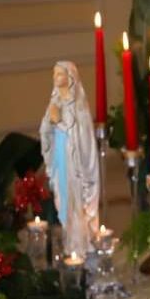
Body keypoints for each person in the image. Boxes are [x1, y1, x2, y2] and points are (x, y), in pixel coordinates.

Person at [39, 61, 99, 258]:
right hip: (60, 157)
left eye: (59, 74)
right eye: (54, 74)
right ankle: (70, 242)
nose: (55, 78)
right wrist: (51, 121)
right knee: (62, 198)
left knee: (76, 199)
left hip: (75, 161)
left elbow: (81, 135)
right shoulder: (55, 102)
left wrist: (58, 121)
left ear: (70, 77)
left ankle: (83, 243)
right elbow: (45, 130)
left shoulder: (78, 105)